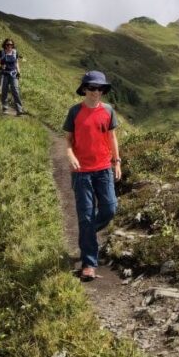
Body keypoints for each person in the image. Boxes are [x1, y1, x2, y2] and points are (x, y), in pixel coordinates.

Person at [62, 70, 121, 281]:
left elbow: (112, 137)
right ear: (84, 89)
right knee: (85, 216)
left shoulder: (108, 111)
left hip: (104, 169)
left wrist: (117, 161)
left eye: (100, 88)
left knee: (110, 208)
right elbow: (67, 139)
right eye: (92, 88)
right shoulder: (75, 112)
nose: (96, 92)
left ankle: (86, 233)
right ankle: (88, 263)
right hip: (81, 173)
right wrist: (69, 155)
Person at [0, 38, 25, 115]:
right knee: (4, 91)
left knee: (15, 91)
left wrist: (19, 72)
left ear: (13, 45)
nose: (9, 46)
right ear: (5, 45)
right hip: (4, 74)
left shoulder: (15, 52)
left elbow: (16, 63)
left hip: (13, 74)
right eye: (8, 44)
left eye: (11, 44)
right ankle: (5, 108)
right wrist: (1, 66)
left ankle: (19, 110)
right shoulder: (1, 52)